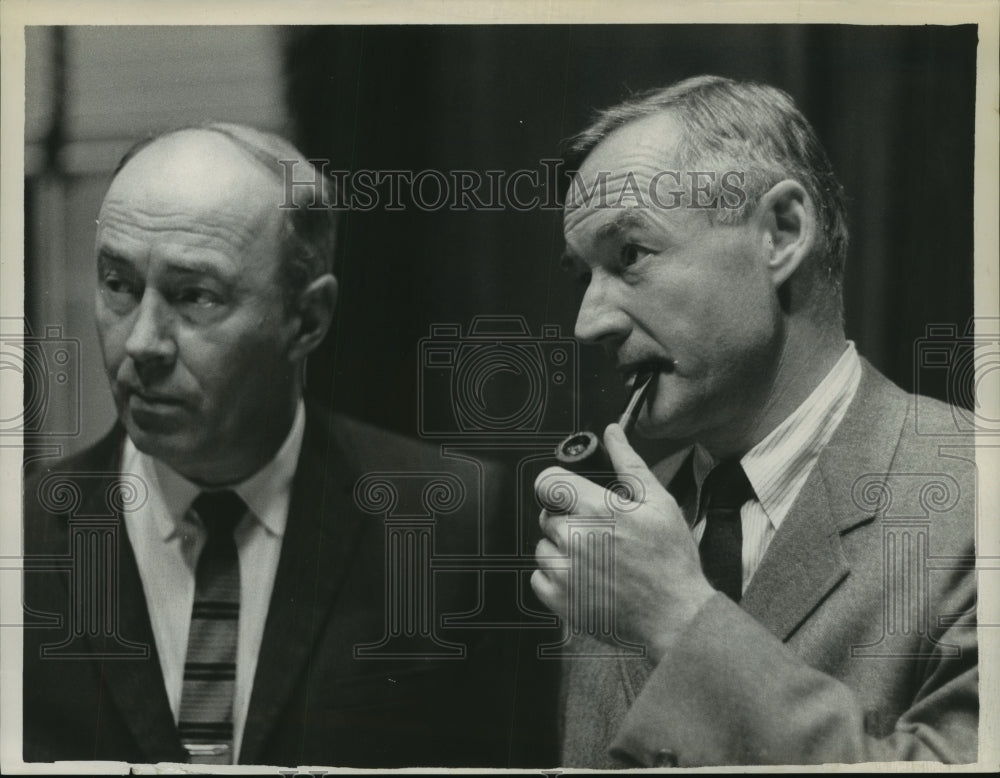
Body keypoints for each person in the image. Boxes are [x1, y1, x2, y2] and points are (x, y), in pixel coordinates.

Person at [22, 123, 527, 767]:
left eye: (195, 296)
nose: (142, 342)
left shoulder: (458, 526)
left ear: (307, 319)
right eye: (118, 284)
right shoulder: (19, 535)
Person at [531, 75, 977, 767]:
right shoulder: (620, 537)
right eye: (582, 276)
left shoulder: (979, 498)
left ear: (782, 233)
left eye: (631, 256)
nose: (590, 323)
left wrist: (679, 619)